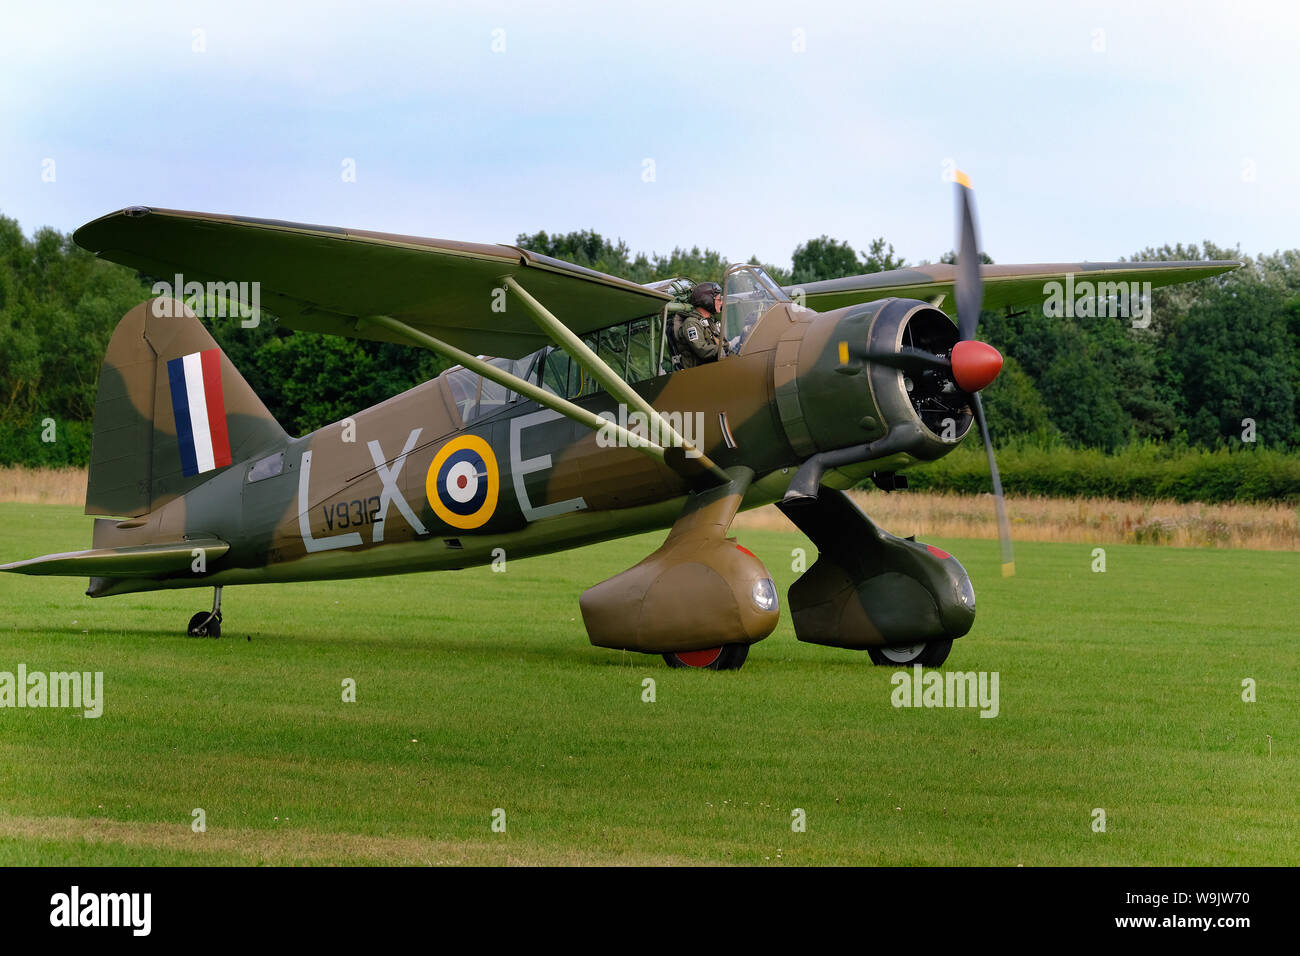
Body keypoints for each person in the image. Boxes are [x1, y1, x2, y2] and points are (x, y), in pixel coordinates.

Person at [672, 282, 726, 369]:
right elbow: (702, 350)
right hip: (701, 372)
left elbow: (723, 343)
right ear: (707, 300)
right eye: (719, 300)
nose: (721, 303)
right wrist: (721, 349)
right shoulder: (691, 323)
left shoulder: (711, 321)